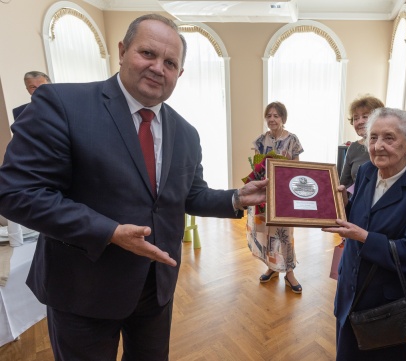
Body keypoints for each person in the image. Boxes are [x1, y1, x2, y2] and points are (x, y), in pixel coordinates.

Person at [0, 14, 267, 361]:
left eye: (170, 63)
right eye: (148, 54)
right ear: (123, 50)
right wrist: (108, 231)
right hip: (83, 290)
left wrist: (235, 197)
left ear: (180, 74)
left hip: (155, 289)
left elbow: (189, 195)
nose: (158, 68)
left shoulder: (186, 133)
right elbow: (17, 192)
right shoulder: (62, 105)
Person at [322, 107, 406, 360]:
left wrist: (364, 238)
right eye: (373, 137)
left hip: (387, 306)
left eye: (389, 138)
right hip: (349, 292)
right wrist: (334, 203)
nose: (378, 146)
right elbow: (358, 215)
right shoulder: (367, 171)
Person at [248, 101, 304, 293]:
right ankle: (272, 267)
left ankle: (289, 272)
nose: (272, 119)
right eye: (269, 116)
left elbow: (298, 170)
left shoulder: (293, 140)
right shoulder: (259, 141)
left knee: (285, 235)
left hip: (285, 195)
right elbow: (256, 169)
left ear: (283, 119)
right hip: (264, 195)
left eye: (276, 116)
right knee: (267, 234)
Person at [339, 95, 384, 190]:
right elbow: (344, 184)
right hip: (356, 202)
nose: (360, 121)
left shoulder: (387, 146)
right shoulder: (353, 147)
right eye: (356, 118)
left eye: (365, 117)